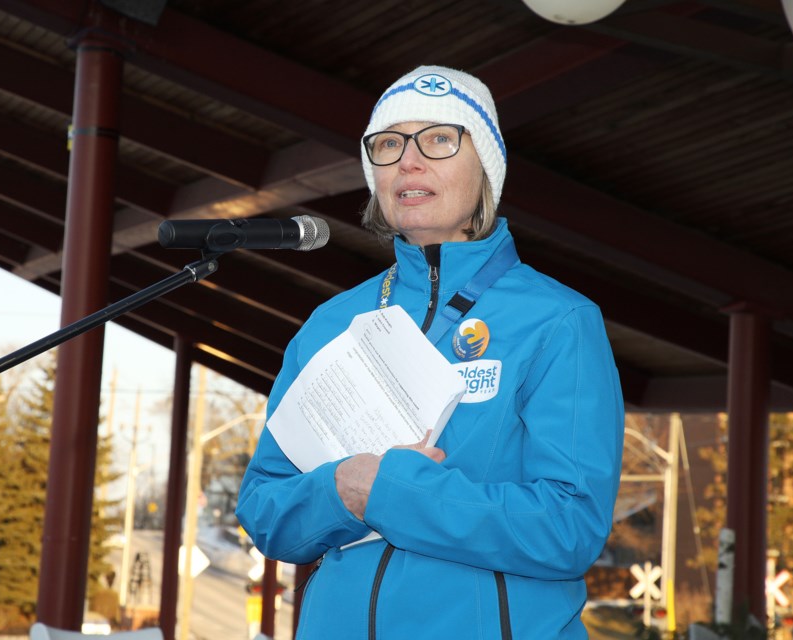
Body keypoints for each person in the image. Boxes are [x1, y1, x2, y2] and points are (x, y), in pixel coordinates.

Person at [236, 65, 624, 639]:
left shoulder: (558, 320)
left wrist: (392, 492)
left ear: (485, 170)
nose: (408, 162)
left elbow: (568, 529)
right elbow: (267, 512)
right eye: (388, 146)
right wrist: (339, 488)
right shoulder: (332, 323)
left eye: (439, 139)